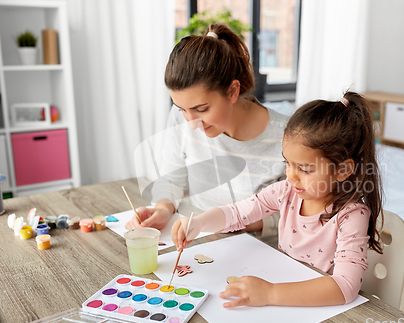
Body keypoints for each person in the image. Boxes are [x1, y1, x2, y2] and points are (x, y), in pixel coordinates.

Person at [171, 92, 384, 307]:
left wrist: (270, 293)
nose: (291, 175)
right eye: (288, 163)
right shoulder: (287, 191)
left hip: (320, 308)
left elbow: (345, 287)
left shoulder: (351, 215)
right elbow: (237, 213)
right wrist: (199, 223)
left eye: (305, 169)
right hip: (285, 295)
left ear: (343, 170)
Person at [125, 24, 289, 233]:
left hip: (255, 246)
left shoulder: (288, 137)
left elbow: (294, 217)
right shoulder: (181, 119)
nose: (191, 123)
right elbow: (171, 180)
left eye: (201, 109)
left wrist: (217, 222)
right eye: (181, 108)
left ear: (232, 91)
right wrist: (163, 209)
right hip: (198, 237)